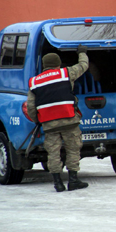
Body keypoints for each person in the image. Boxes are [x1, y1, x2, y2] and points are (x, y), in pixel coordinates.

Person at [27, 46, 90, 192]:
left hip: (49, 123)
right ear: (58, 64)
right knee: (73, 149)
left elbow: (31, 106)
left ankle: (57, 183)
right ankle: (73, 180)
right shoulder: (65, 73)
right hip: (69, 120)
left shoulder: (34, 82)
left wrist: (38, 120)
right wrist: (82, 53)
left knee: (53, 152)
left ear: (44, 66)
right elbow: (83, 66)